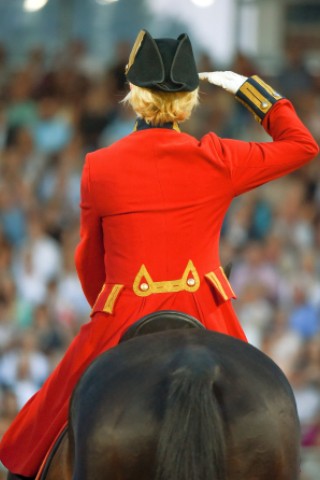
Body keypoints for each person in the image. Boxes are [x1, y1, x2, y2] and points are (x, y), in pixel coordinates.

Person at [0, 29, 318, 480]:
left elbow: (89, 261)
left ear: (134, 95)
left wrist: (105, 307)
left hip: (124, 310)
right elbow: (302, 144)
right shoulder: (218, 156)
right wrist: (250, 89)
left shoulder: (100, 166)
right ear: (189, 101)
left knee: (32, 445)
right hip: (205, 310)